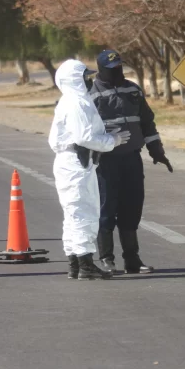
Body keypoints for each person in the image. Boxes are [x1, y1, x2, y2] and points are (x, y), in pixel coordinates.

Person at [90, 49, 173, 274]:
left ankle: (132, 260)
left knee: (132, 208)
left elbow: (147, 122)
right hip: (104, 162)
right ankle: (106, 259)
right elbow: (86, 131)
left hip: (131, 160)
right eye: (111, 69)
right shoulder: (91, 93)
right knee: (107, 209)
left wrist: (157, 151)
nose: (117, 71)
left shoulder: (132, 89)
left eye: (119, 67)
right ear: (101, 70)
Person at [49, 59, 131, 280]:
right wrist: (112, 140)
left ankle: (75, 263)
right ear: (74, 80)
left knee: (74, 213)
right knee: (84, 212)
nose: (89, 80)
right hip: (77, 162)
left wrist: (105, 135)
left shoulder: (71, 101)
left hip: (74, 162)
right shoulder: (77, 103)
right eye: (85, 77)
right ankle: (85, 264)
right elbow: (84, 137)